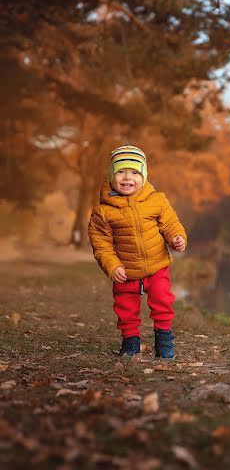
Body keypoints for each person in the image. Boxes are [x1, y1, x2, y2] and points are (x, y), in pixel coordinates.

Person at [88, 144, 187, 358]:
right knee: (125, 307)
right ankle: (130, 341)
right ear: (112, 175)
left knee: (162, 301)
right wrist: (112, 265)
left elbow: (170, 224)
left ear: (143, 175)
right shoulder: (103, 211)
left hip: (157, 264)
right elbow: (101, 243)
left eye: (134, 172)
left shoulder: (157, 201)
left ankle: (164, 339)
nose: (127, 177)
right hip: (125, 270)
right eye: (121, 171)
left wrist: (176, 238)